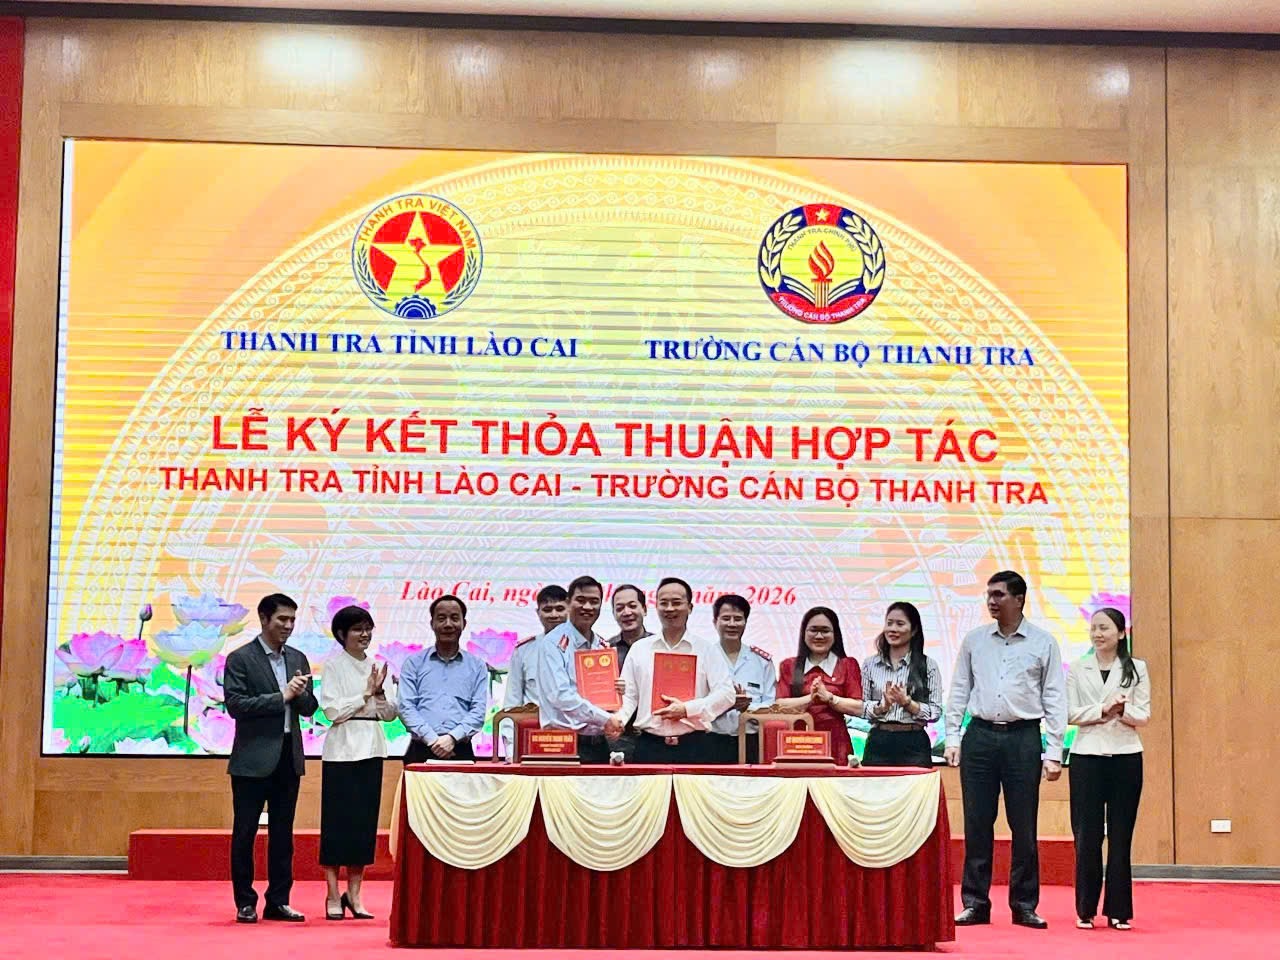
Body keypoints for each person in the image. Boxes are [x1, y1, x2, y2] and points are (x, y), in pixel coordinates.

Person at [946, 570, 1068, 930]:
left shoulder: (1043, 642)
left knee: (1024, 825)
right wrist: (952, 737)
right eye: (989, 594)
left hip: (1023, 738)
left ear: (1019, 599)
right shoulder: (975, 640)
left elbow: (1054, 697)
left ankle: (1024, 904)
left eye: (999, 595)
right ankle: (975, 903)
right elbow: (959, 689)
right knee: (977, 823)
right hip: (979, 736)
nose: (991, 601)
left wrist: (1054, 751)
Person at [224, 593, 318, 924]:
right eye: (282, 619)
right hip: (252, 760)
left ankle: (278, 901)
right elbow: (236, 706)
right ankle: (245, 902)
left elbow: (310, 707)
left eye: (292, 620)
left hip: (288, 757)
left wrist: (301, 695)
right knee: (245, 833)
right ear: (264, 619)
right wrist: (282, 696)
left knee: (283, 835)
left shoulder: (297, 658)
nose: (288, 626)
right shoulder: (240, 658)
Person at [1067, 607, 1149, 931]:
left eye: (1104, 628)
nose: (1097, 634)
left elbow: (1144, 715)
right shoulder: (1078, 668)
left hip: (1126, 756)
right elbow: (1070, 713)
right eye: (1094, 628)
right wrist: (1103, 709)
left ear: (1121, 633)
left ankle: (1119, 910)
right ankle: (1085, 909)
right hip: (1087, 757)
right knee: (1087, 836)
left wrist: (1122, 710)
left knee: (1120, 836)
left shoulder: (1137, 668)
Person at [317, 604, 397, 921]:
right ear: (342, 634)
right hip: (341, 752)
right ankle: (332, 894)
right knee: (336, 825)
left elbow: (389, 715)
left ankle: (355, 894)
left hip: (372, 748)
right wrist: (364, 695)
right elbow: (333, 712)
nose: (364, 634)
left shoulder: (377, 665)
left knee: (363, 826)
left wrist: (379, 694)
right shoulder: (333, 666)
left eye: (368, 628)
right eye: (357, 629)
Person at [613, 577, 735, 763]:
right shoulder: (640, 649)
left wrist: (687, 709)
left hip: (695, 746)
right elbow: (629, 696)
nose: (670, 609)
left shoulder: (706, 650)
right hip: (648, 747)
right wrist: (618, 720)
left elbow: (726, 694)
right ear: (656, 607)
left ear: (690, 607)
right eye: (664, 603)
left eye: (676, 603)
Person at [533, 576, 625, 763]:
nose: (587, 607)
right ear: (568, 603)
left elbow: (606, 699)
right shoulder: (553, 644)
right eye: (581, 600)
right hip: (562, 744)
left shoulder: (602, 646)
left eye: (594, 601)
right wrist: (605, 719)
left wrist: (619, 694)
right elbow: (561, 696)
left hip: (599, 743)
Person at [398, 595, 488, 763]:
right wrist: (433, 740)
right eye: (441, 618)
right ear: (432, 623)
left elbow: (478, 711)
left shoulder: (477, 666)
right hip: (420, 749)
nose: (448, 624)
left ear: (464, 624)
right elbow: (406, 707)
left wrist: (452, 738)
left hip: (460, 749)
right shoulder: (414, 663)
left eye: (454, 618)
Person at [774, 606, 863, 766]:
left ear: (835, 634)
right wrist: (811, 698)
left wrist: (830, 698)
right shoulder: (789, 665)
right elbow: (779, 705)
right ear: (804, 633)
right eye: (813, 630)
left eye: (825, 631)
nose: (819, 636)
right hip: (797, 744)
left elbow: (858, 707)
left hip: (836, 742)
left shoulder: (847, 665)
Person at [860, 601, 943, 767]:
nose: (893, 629)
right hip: (879, 740)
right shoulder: (870, 664)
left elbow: (936, 711)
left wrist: (908, 703)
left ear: (914, 630)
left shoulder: (928, 665)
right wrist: (881, 706)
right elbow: (861, 706)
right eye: (889, 623)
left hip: (914, 742)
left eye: (900, 624)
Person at [705, 594, 775, 763]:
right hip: (711, 739)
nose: (732, 624)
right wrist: (726, 704)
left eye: (738, 619)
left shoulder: (762, 661)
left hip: (752, 741)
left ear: (745, 622)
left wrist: (747, 708)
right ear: (715, 622)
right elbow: (696, 702)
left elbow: (771, 705)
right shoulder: (704, 657)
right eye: (726, 618)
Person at [500, 584, 568, 758]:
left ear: (570, 610)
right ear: (538, 613)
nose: (554, 615)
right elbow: (512, 703)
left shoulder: (584, 648)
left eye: (560, 609)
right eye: (547, 610)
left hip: (575, 741)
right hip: (532, 741)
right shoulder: (524, 650)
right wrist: (511, 749)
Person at [605, 583, 651, 664]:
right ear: (614, 614)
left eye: (632, 606)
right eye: (620, 608)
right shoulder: (607, 649)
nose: (626, 612)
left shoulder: (658, 646)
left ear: (644, 610)